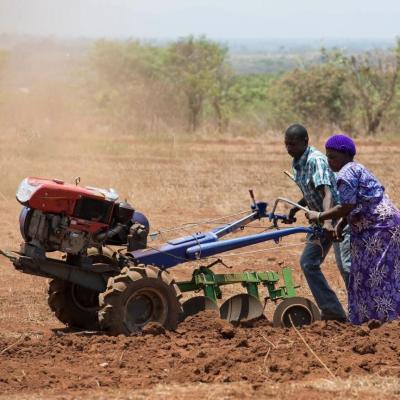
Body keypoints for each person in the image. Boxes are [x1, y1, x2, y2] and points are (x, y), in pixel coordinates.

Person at [306, 134, 400, 325]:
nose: (329, 161)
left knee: (377, 275)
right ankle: (369, 320)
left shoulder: (346, 174)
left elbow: (345, 207)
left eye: (332, 157)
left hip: (379, 228)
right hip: (377, 227)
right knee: (364, 274)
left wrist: (320, 216)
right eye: (327, 156)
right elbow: (355, 205)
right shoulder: (356, 168)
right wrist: (341, 225)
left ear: (345, 155)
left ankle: (385, 320)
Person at [284, 124, 351, 322]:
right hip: (321, 219)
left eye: (293, 144)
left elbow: (327, 192)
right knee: (308, 263)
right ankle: (333, 313)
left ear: (305, 141)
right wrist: (296, 208)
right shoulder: (297, 162)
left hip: (338, 218)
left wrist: (328, 222)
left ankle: (362, 311)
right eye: (286, 144)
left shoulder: (316, 160)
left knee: (346, 267)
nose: (289, 149)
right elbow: (310, 191)